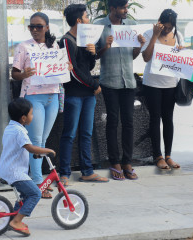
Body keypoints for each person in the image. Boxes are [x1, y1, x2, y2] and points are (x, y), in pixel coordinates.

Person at [11, 12, 71, 199]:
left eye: (39, 26)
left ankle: (37, 180)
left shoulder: (54, 45)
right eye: (32, 26)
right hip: (33, 96)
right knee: (36, 141)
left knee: (42, 139)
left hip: (52, 95)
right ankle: (37, 183)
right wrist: (24, 74)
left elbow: (61, 68)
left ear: (47, 27)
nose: (35, 30)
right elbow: (14, 74)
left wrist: (66, 67)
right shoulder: (24, 46)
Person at [58, 4, 109, 186]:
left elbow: (86, 67)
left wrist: (92, 54)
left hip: (88, 95)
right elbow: (73, 72)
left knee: (86, 133)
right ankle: (64, 173)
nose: (89, 20)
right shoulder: (66, 40)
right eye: (87, 17)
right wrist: (94, 84)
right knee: (69, 134)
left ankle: (87, 171)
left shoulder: (84, 40)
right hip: (74, 94)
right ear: (79, 20)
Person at [95, 0, 145, 180]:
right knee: (112, 122)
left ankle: (127, 162)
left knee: (129, 122)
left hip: (129, 82)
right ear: (113, 8)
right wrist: (105, 47)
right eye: (123, 7)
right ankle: (114, 161)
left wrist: (139, 46)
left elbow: (132, 55)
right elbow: (92, 55)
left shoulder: (130, 25)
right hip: (109, 81)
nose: (126, 10)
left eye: (127, 7)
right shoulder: (98, 26)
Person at [0, 98, 55, 237]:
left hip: (8, 168)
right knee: (35, 193)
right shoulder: (20, 131)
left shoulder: (11, 127)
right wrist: (46, 150)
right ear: (24, 118)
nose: (33, 116)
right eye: (31, 114)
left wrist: (37, 154)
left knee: (24, 196)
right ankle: (17, 221)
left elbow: (20, 148)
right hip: (15, 172)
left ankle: (13, 219)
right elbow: (29, 148)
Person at [141, 9, 183, 170]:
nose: (167, 30)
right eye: (165, 27)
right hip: (152, 84)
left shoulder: (177, 36)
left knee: (168, 119)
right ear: (159, 22)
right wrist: (154, 35)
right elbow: (146, 57)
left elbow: (181, 61)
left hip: (170, 84)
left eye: (170, 28)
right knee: (155, 119)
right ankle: (157, 156)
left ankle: (168, 156)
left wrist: (182, 51)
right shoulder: (148, 33)